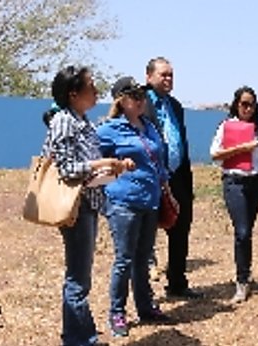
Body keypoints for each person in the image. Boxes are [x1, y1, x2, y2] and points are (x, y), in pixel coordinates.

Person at [43, 66, 132, 346]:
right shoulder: (64, 122)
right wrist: (103, 163)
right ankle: (83, 340)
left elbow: (85, 170)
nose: (95, 91)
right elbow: (68, 169)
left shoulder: (82, 121)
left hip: (89, 204)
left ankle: (77, 337)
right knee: (78, 280)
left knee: (80, 277)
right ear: (73, 93)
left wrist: (115, 168)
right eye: (90, 86)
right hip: (75, 208)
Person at [97, 77, 176, 337]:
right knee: (124, 260)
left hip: (150, 201)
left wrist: (168, 193)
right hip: (123, 202)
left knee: (143, 259)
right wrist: (115, 166)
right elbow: (94, 162)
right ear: (121, 100)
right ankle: (117, 313)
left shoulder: (149, 126)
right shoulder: (109, 129)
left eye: (142, 95)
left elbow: (159, 164)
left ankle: (145, 307)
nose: (141, 100)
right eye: (134, 96)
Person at [143, 57, 201, 299]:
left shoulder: (175, 105)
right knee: (145, 233)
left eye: (171, 75)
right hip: (150, 178)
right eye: (163, 74)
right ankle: (143, 294)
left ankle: (177, 282)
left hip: (177, 177)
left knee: (181, 229)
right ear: (149, 76)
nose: (168, 79)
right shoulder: (139, 102)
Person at [210, 86, 258, 303]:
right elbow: (215, 154)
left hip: (255, 182)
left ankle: (246, 271)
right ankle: (241, 282)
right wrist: (242, 148)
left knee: (248, 231)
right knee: (241, 232)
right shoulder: (225, 126)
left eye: (251, 104)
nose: (247, 108)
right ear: (236, 104)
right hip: (234, 182)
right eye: (243, 103)